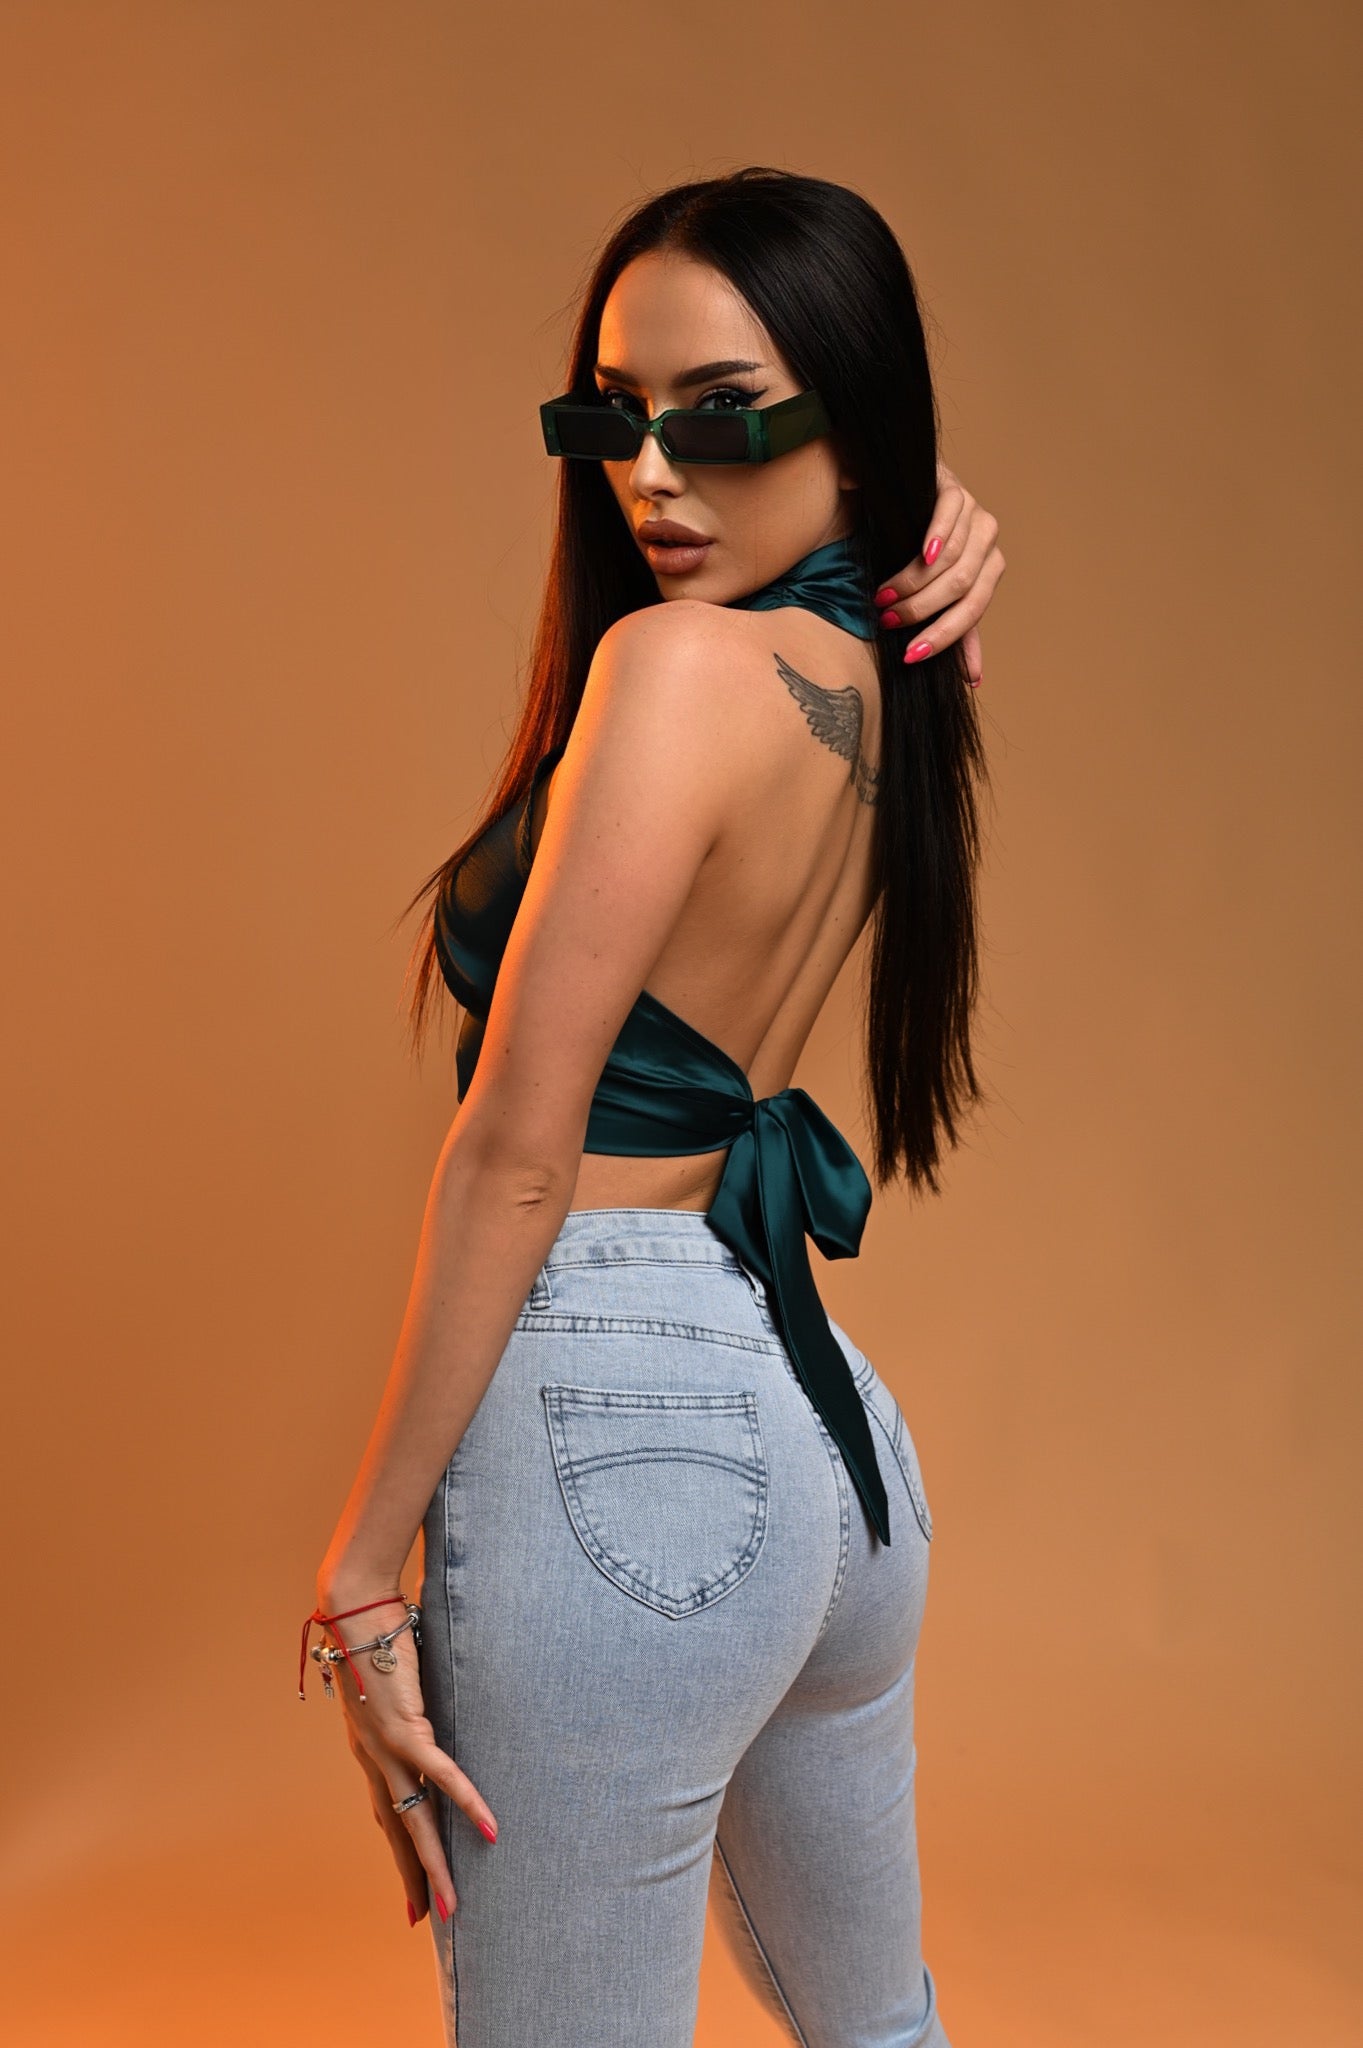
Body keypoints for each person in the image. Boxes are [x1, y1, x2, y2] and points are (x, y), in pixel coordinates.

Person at [299, 166, 1005, 2048]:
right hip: (823, 1436)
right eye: (616, 416)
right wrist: (912, 497)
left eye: (723, 415)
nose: (654, 473)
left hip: (620, 1432)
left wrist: (364, 1572)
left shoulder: (675, 666)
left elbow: (522, 1151)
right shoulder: (885, 687)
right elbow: (880, 513)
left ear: (848, 416)